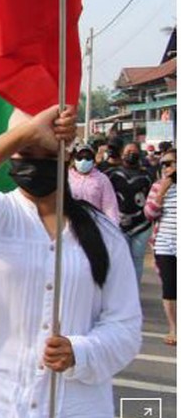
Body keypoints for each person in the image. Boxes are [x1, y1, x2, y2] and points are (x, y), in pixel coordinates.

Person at [0, 105, 141, 418]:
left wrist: (81, 351)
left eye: (46, 153)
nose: (34, 161)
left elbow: (125, 327)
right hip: (0, 409)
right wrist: (27, 131)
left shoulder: (105, 235)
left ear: (66, 158)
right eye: (24, 152)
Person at [106, 141, 153, 284]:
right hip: (118, 223)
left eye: (134, 152)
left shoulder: (147, 176)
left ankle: (135, 294)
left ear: (139, 154)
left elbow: (153, 198)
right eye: (127, 152)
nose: (130, 155)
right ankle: (121, 294)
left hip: (142, 225)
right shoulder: (111, 175)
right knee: (120, 260)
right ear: (121, 154)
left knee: (137, 259)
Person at [145, 148, 176, 346]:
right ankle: (174, 328)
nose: (168, 168)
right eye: (164, 164)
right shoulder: (159, 186)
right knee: (170, 289)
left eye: (171, 163)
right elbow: (149, 213)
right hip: (165, 244)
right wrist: (162, 192)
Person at [67, 143, 119, 225]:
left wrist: (113, 228)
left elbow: (110, 207)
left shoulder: (102, 179)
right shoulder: (66, 177)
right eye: (80, 158)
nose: (83, 161)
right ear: (74, 159)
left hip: (95, 225)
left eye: (87, 158)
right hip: (71, 225)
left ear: (93, 160)